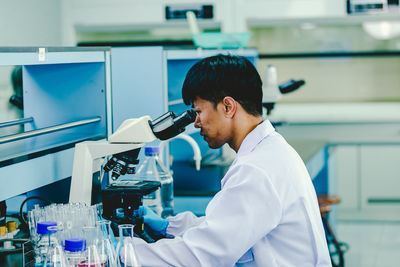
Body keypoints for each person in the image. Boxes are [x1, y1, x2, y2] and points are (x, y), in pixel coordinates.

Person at [133, 54, 331, 266]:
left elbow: (200, 255)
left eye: (198, 111)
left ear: (228, 106)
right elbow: (227, 226)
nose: (196, 123)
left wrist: (122, 253)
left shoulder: (256, 170)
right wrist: (169, 227)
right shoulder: (270, 150)